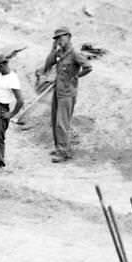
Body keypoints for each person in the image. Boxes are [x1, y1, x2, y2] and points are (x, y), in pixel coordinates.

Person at [38, 27, 92, 162]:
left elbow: (88, 67)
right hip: (58, 91)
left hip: (67, 93)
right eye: (56, 38)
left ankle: (63, 152)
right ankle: (60, 148)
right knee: (55, 121)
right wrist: (53, 49)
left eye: (61, 37)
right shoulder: (59, 53)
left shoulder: (74, 54)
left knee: (62, 123)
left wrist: (76, 76)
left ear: (69, 36)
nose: (59, 40)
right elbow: (47, 66)